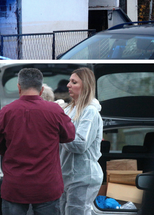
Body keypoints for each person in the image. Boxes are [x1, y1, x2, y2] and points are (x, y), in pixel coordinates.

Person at [0, 68, 76, 215]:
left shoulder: (7, 112)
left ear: (19, 87)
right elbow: (70, 135)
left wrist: (8, 148)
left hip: (15, 187)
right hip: (47, 187)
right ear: (41, 90)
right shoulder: (54, 111)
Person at [59, 67, 103, 215]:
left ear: (85, 85)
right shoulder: (69, 109)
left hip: (82, 176)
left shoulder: (90, 111)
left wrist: (58, 132)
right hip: (66, 176)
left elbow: (79, 145)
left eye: (74, 82)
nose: (68, 85)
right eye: (69, 81)